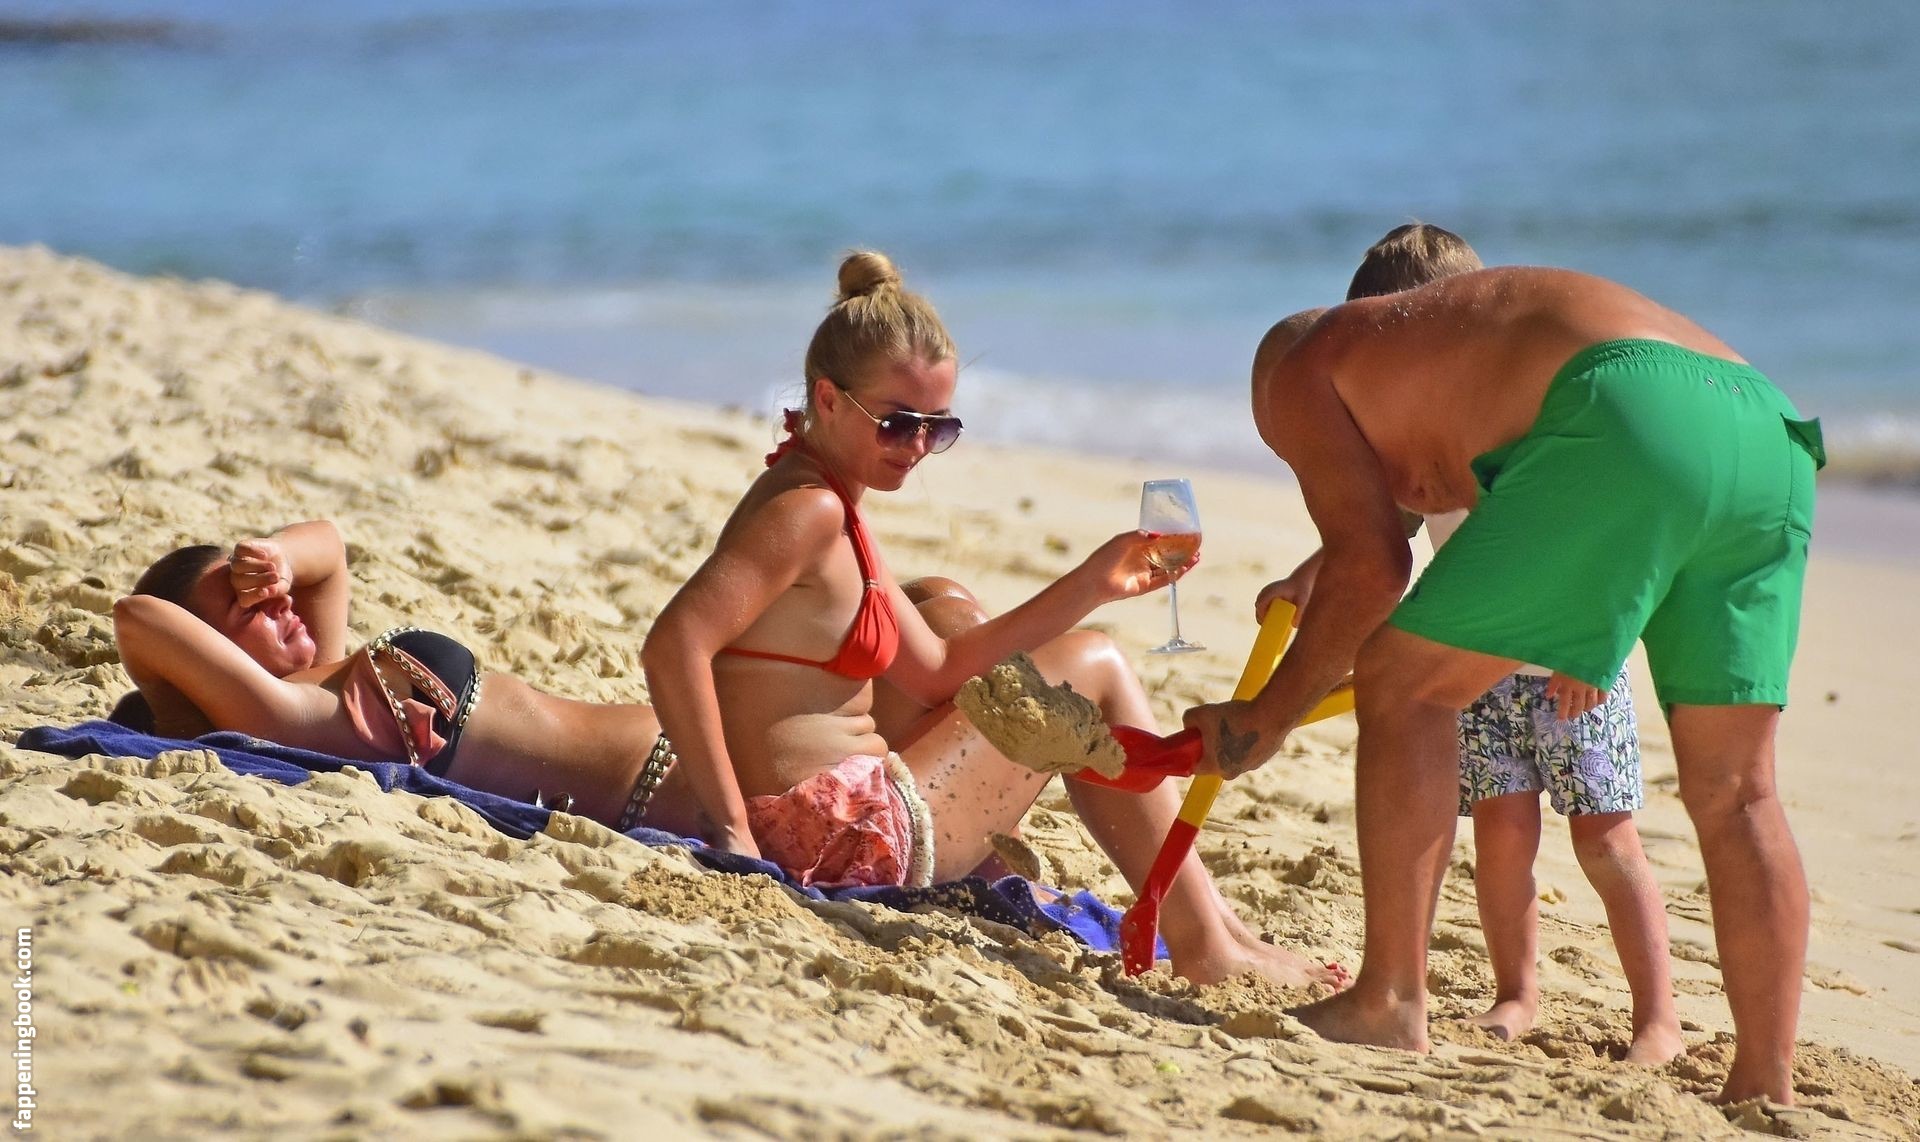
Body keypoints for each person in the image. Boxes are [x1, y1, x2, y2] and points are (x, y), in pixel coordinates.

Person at [1187, 264, 1820, 1103]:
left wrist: (1265, 718)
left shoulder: (1295, 366)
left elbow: (1371, 566)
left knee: (1403, 682)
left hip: (1625, 406)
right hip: (1766, 428)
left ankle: (1388, 1001)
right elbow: (1404, 513)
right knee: (1740, 792)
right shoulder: (1433, 344)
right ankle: (1764, 1081)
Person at [641, 250, 1341, 988]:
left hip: (822, 822)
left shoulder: (823, 494)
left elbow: (938, 672)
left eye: (937, 428)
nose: (917, 448)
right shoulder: (810, 511)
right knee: (1096, 665)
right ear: (829, 398)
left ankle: (1218, 925)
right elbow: (673, 645)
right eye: (898, 424)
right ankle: (1204, 940)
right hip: (842, 837)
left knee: (945, 606)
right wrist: (732, 834)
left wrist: (1094, 581)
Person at [1256, 224, 1682, 1063]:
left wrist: (1596, 650)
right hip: (1469, 672)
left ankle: (1658, 1019)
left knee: (1606, 841)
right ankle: (1516, 995)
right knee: (1501, 840)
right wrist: (1313, 575)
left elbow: (1606, 540)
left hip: (1573, 666)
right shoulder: (1421, 430)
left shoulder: (1513, 421)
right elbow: (1388, 526)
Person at [113, 519, 705, 834]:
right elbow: (136, 617)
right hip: (672, 789)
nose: (278, 600)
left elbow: (330, 550)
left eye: (269, 592)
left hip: (689, 743)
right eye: (247, 606)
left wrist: (277, 559)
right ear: (206, 657)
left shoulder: (321, 680)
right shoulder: (282, 715)